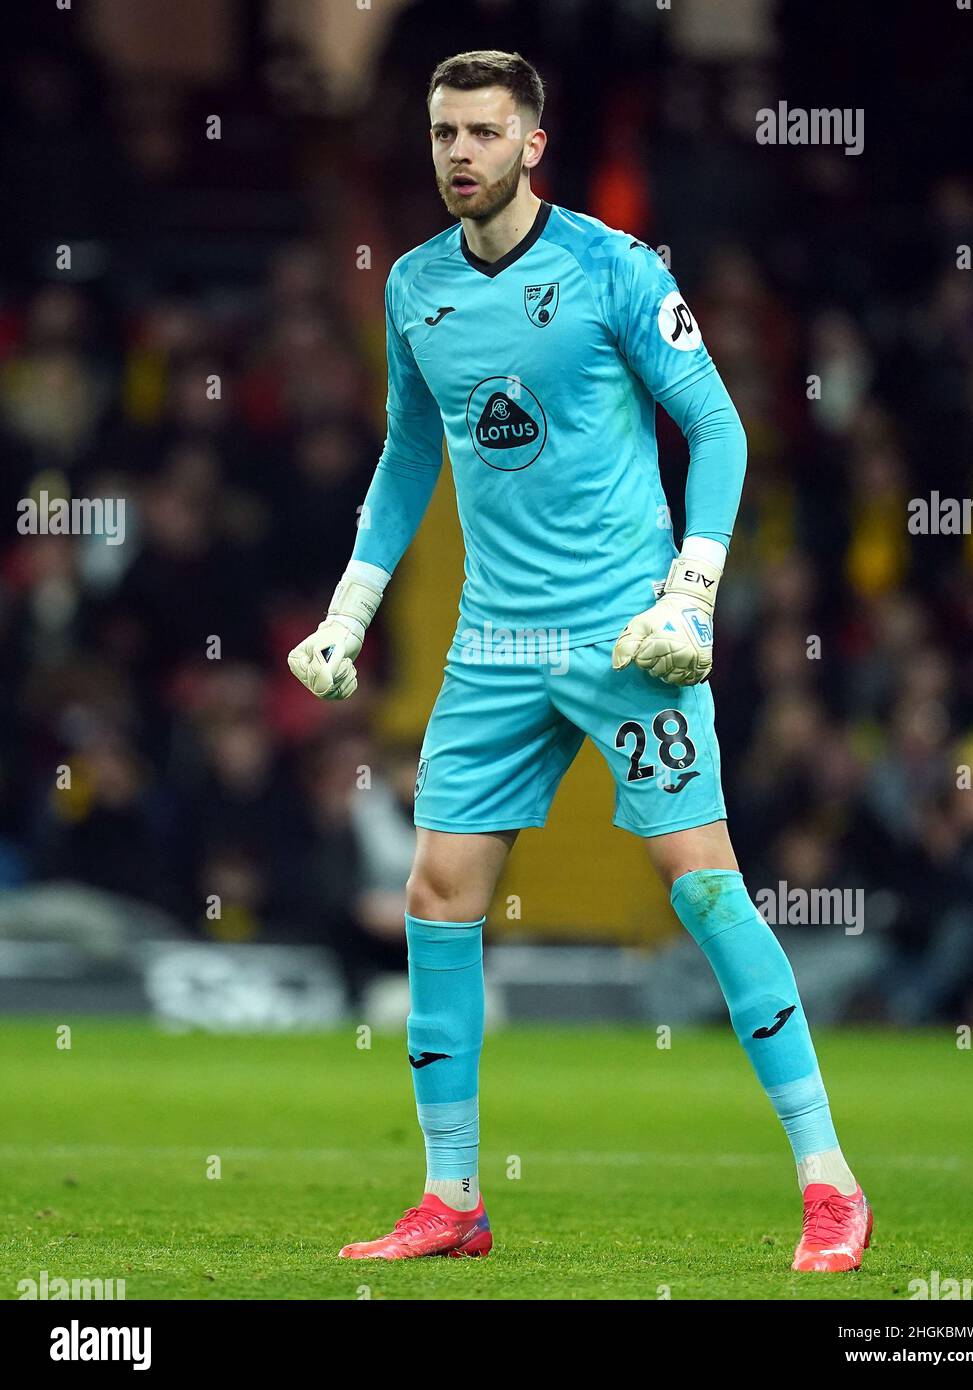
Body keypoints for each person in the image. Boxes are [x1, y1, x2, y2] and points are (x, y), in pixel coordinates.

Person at [287, 49, 871, 1272]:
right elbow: (409, 457)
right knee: (439, 894)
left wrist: (692, 589)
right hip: (493, 640)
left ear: (532, 143)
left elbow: (713, 422)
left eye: (483, 133)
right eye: (444, 133)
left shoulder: (616, 267)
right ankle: (452, 1197)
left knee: (702, 885)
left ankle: (828, 1178)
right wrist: (351, 609)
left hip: (622, 631)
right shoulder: (411, 288)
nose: (458, 154)